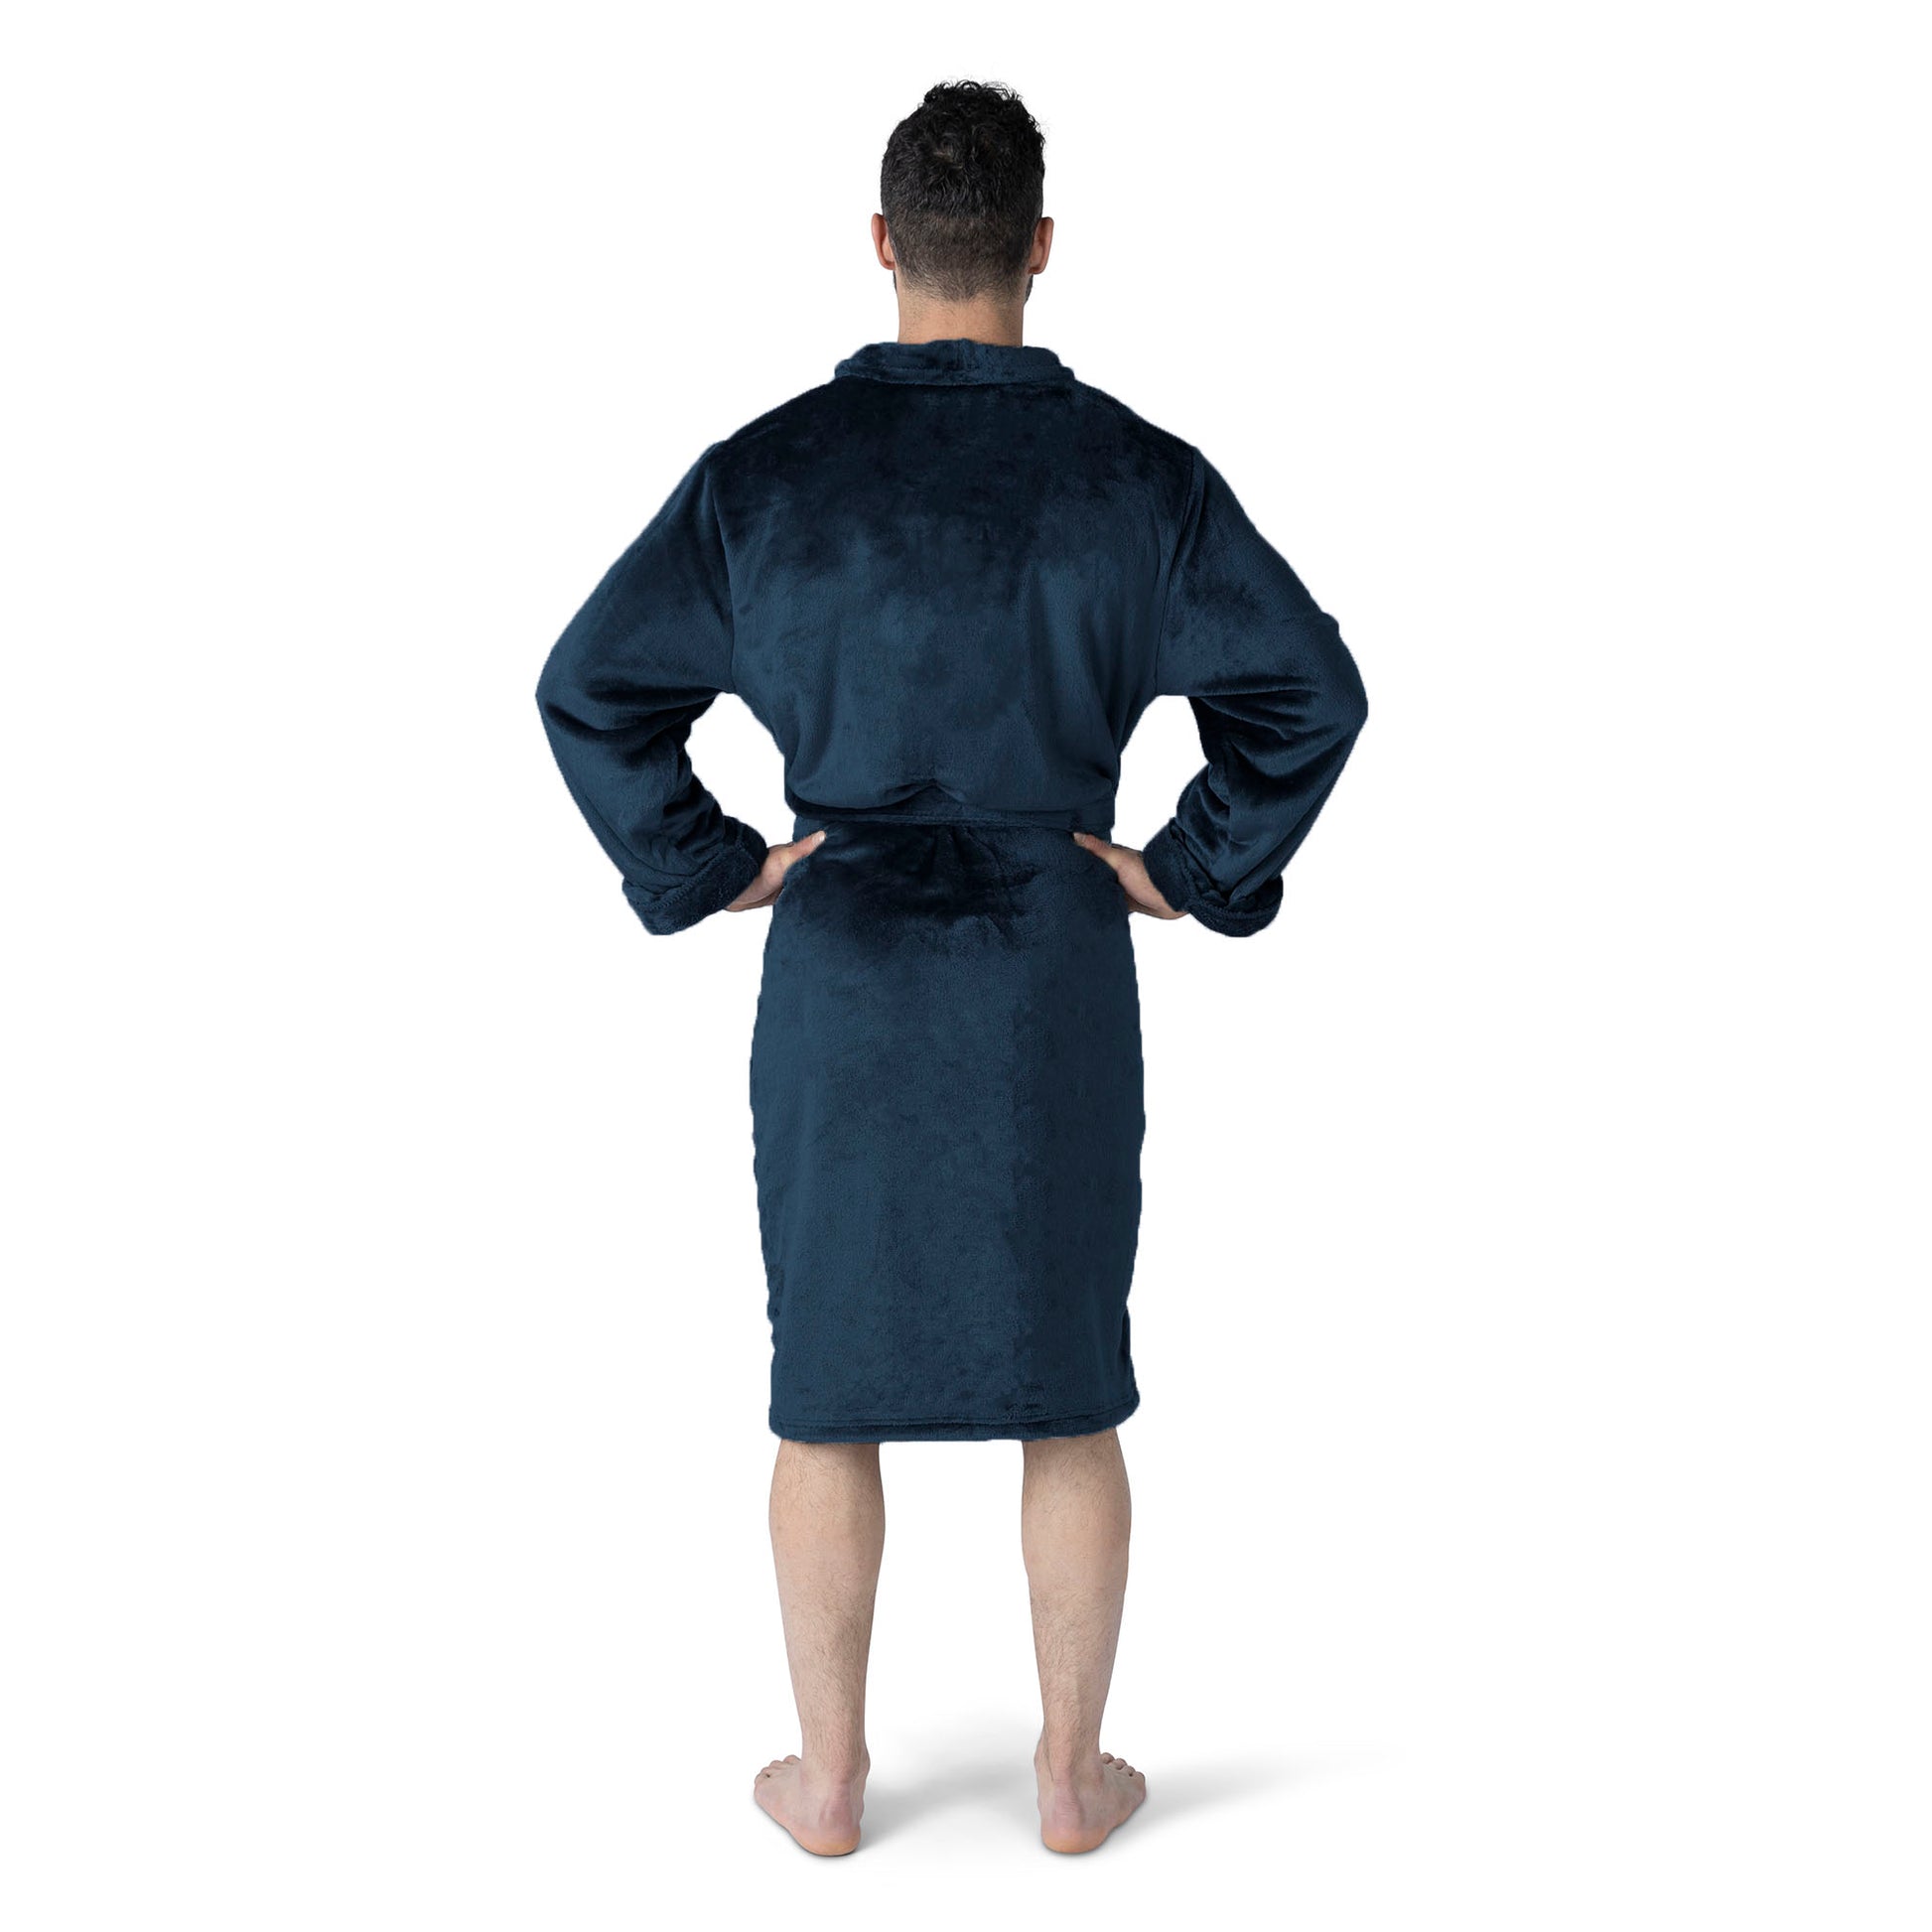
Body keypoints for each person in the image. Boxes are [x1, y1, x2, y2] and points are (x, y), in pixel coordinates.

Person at [535, 79, 1368, 1857]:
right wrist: (1189, 868)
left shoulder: (765, 477)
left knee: (823, 1387)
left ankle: (829, 1780)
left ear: (882, 243)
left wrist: (711, 862)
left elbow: (590, 686)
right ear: (1039, 248)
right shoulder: (1137, 478)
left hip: (841, 970)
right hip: (1047, 972)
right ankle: (1070, 1777)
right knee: (1068, 1380)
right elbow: (1310, 691)